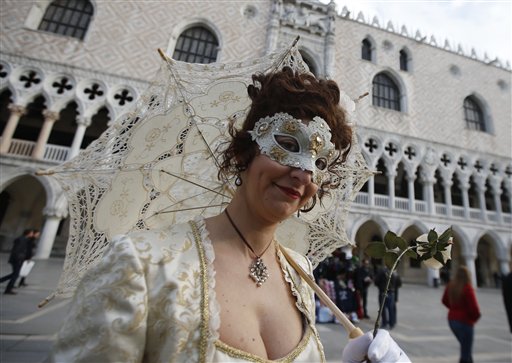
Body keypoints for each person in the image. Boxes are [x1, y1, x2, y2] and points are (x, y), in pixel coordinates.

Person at [51, 68, 410, 362]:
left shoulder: (301, 273)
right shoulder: (142, 265)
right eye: (287, 145)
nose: (304, 173)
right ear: (243, 153)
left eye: (319, 163)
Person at [442, 265, 481, 363]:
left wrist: (453, 309)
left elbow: (444, 300)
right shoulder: (467, 288)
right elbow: (474, 308)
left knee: (465, 348)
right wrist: (474, 318)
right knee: (465, 352)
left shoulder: (451, 285)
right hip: (465, 322)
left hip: (452, 321)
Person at [0, 229, 33, 294]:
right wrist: (20, 258)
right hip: (17, 259)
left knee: (15, 274)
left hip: (18, 259)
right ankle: (8, 289)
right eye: (31, 233)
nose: (32, 234)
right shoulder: (22, 240)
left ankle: (4, 283)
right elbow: (17, 250)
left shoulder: (25, 240)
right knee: (15, 274)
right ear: (28, 233)